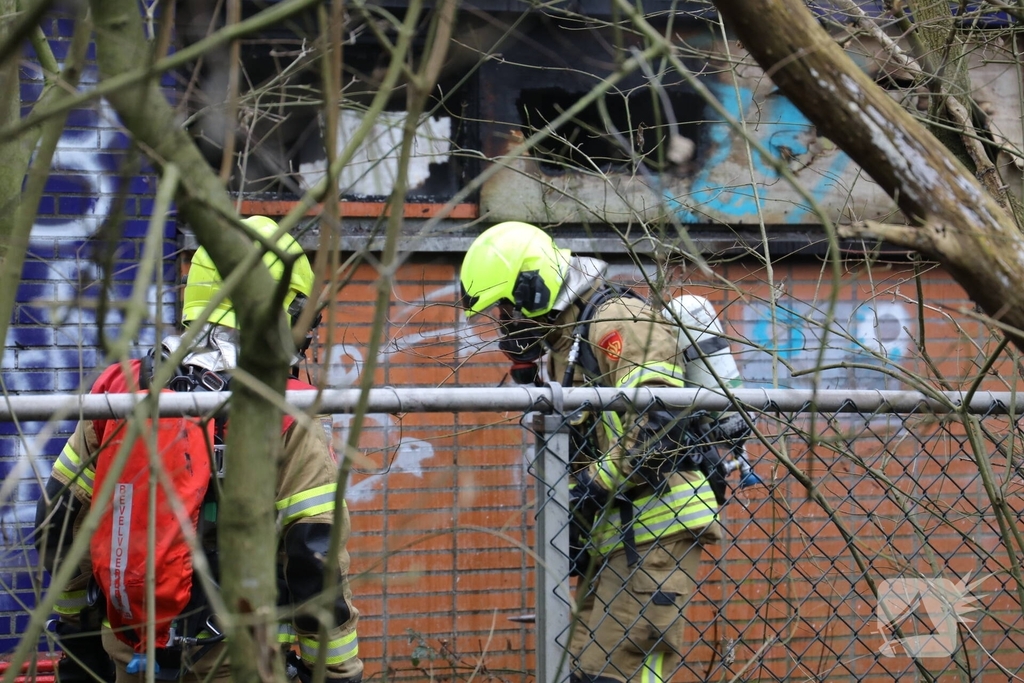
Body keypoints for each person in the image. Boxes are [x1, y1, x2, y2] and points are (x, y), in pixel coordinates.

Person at [33, 216, 363, 683]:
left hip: (131, 653)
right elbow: (315, 557)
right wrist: (333, 670)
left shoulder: (121, 391)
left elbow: (57, 520)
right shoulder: (286, 411)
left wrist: (79, 635)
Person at [459, 221, 752, 683]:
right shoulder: (569, 342)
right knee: (576, 668)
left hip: (657, 528)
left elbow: (658, 422)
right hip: (619, 536)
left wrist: (590, 488)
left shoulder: (619, 321)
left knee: (611, 672)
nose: (505, 321)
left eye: (506, 307)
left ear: (533, 289)